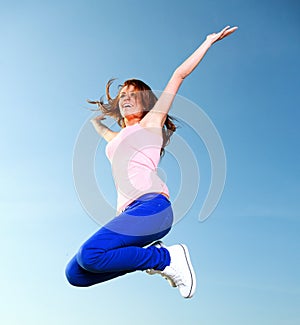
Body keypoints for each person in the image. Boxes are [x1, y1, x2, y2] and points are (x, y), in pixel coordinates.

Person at [65, 25, 238, 298]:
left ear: (145, 102)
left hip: (153, 207)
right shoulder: (117, 138)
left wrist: (208, 42)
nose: (127, 99)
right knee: (76, 274)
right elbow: (103, 130)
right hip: (130, 214)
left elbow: (178, 75)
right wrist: (96, 118)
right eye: (123, 96)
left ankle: (165, 259)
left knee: (91, 254)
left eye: (133, 94)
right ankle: (158, 259)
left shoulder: (152, 122)